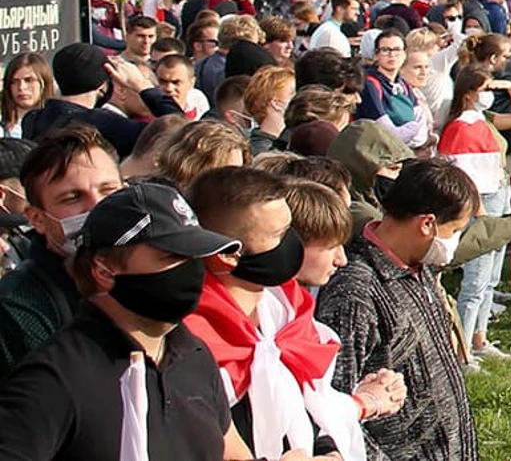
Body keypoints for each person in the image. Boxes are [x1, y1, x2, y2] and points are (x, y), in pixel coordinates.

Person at [0, 181, 243, 460]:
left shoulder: (194, 356)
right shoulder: (55, 377)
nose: (191, 269)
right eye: (172, 256)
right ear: (103, 270)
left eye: (194, 256)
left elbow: (231, 452)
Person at [181, 165, 403, 460]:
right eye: (280, 234)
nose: (292, 243)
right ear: (227, 254)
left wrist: (329, 451)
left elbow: (304, 406)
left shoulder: (286, 307)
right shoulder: (192, 338)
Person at [314, 159, 484, 461]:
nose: (454, 241)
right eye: (455, 229)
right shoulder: (357, 291)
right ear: (427, 224)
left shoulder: (419, 267)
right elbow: (332, 405)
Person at [0, 126, 125, 370]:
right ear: (37, 219)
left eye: (109, 190)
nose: (97, 206)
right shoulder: (17, 307)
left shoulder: (153, 272)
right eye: (72, 198)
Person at [436, 66, 511, 367]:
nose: (491, 94)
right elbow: (463, 176)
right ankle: (461, 351)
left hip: (499, 193)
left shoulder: (485, 120)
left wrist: (509, 87)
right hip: (482, 203)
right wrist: (479, 210)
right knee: (475, 282)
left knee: (490, 278)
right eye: (485, 89)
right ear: (468, 94)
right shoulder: (460, 128)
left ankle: (480, 337)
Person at [21, 43, 187, 156]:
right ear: (102, 85)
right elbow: (181, 130)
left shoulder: (33, 119)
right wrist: (141, 85)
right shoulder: (104, 123)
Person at [3, 51, 55, 139]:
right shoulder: (2, 131)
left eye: (29, 80)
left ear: (44, 83)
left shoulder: (58, 128)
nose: (21, 87)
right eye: (14, 82)